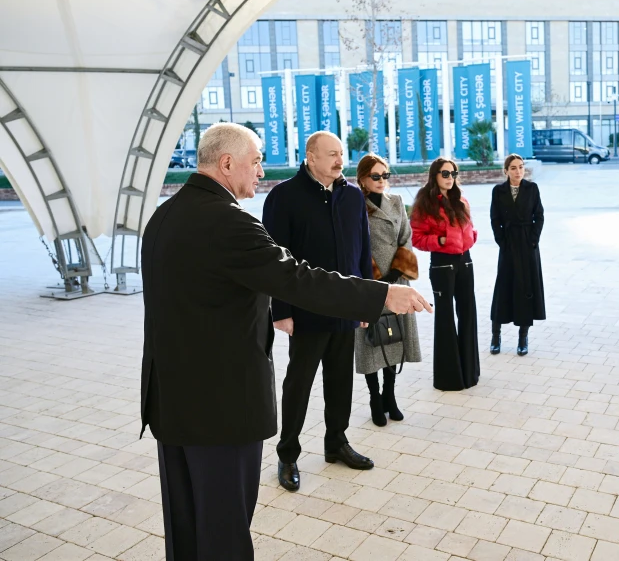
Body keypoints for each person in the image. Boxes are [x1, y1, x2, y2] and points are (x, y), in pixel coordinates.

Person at [141, 123, 431, 561]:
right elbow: (297, 278)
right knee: (223, 533)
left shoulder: (165, 215)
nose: (261, 171)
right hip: (219, 410)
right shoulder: (228, 221)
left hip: (172, 403)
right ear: (226, 163)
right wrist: (382, 294)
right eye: (256, 161)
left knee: (186, 528)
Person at [262, 131, 375, 493]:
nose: (340, 160)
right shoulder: (284, 196)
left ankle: (336, 443)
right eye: (331, 154)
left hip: (346, 308)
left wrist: (366, 301)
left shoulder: (353, 196)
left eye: (341, 154)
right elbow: (274, 259)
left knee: (341, 381)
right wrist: (281, 310)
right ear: (310, 157)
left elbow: (363, 252)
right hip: (306, 311)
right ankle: (287, 454)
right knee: (299, 383)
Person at [354, 154, 422, 426]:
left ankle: (389, 396)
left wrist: (396, 272)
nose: (382, 180)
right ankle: (374, 399)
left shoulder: (396, 201)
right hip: (369, 282)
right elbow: (353, 244)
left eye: (385, 175)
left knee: (393, 337)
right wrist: (374, 278)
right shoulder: (355, 204)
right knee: (371, 339)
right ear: (362, 179)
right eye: (375, 176)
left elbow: (406, 237)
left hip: (397, 281)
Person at [411, 158, 479, 391]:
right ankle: (449, 378)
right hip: (442, 264)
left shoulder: (461, 200)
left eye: (453, 173)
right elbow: (416, 237)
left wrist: (471, 236)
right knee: (445, 317)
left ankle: (469, 372)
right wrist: (440, 240)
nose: (450, 178)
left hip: (465, 261)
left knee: (468, 313)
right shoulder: (425, 203)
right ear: (435, 175)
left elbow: (469, 227)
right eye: (445, 173)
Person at [489, 154, 546, 356]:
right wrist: (502, 242)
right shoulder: (498, 191)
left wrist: (533, 240)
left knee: (526, 288)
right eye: (513, 168)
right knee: (503, 287)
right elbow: (495, 219)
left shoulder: (532, 189)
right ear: (506, 171)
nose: (518, 171)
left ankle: (523, 338)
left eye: (521, 167)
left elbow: (539, 216)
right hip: (508, 244)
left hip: (528, 245)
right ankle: (496, 336)